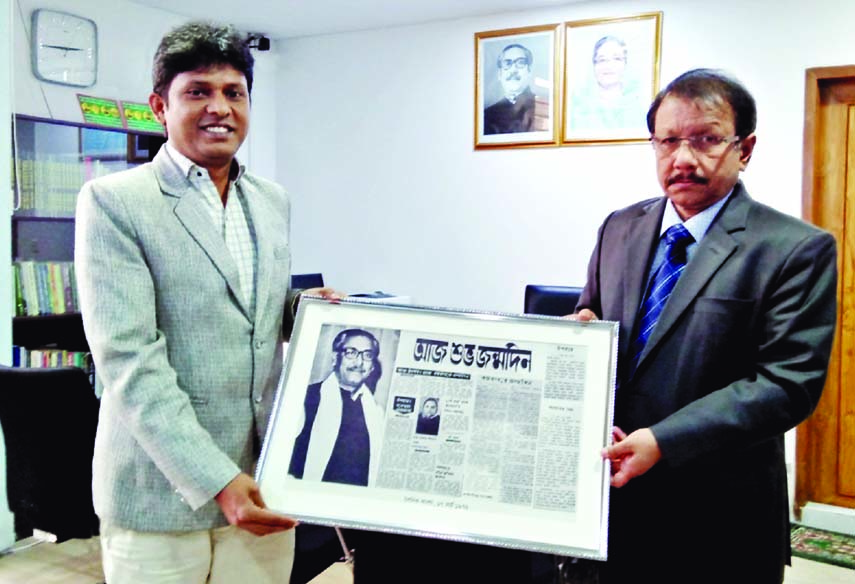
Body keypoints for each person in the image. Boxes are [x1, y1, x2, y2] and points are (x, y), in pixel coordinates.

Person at [75, 21, 340, 584]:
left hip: (262, 479)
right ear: (159, 107)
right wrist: (217, 480)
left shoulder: (272, 201)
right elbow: (128, 361)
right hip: (158, 495)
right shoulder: (114, 202)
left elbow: (246, 305)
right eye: (197, 91)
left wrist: (304, 308)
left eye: (233, 92)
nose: (219, 107)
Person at [573, 68, 837, 583]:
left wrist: (664, 440)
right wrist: (573, 336)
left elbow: (787, 385)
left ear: (746, 148)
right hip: (610, 502)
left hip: (718, 515)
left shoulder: (794, 248)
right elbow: (593, 318)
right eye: (668, 141)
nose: (684, 159)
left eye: (708, 139)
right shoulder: (619, 228)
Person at [289, 328, 384, 487]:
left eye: (367, 355)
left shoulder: (377, 413)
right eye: (351, 353)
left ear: (372, 367)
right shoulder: (305, 398)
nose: (359, 363)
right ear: (335, 358)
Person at [569, 35, 646, 132]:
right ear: (594, 65)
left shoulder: (638, 107)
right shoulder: (578, 109)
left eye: (617, 59)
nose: (609, 65)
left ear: (625, 64)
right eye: (602, 60)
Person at [483, 43, 548, 135]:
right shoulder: (487, 114)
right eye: (507, 63)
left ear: (529, 71)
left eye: (520, 62)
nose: (513, 70)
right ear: (499, 74)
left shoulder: (544, 107)